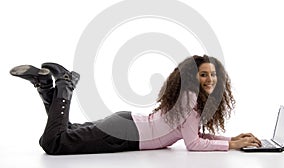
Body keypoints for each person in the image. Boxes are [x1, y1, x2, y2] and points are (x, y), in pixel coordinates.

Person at [10, 55, 261, 155]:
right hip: (125, 134)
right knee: (53, 143)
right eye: (203, 74)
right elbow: (193, 144)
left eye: (213, 75)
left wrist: (230, 139)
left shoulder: (189, 97)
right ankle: (65, 84)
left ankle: (44, 85)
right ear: (192, 76)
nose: (210, 79)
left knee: (68, 129)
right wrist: (230, 145)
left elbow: (191, 133)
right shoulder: (191, 99)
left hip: (126, 125)